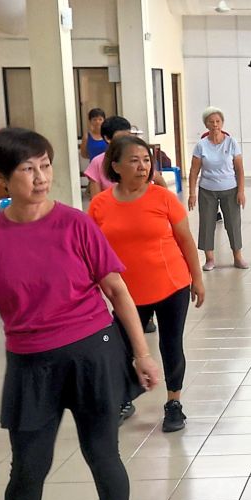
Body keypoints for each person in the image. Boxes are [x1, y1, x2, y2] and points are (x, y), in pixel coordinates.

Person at [0, 129, 160, 500]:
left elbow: (117, 290)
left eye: (45, 165)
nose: (41, 177)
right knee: (28, 465)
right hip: (30, 365)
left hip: (91, 355)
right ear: (1, 178)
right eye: (28, 169)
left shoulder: (75, 224)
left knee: (102, 453)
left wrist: (142, 354)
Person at [88, 135, 204, 431]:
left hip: (171, 284)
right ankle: (124, 398)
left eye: (146, 160)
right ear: (115, 166)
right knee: (122, 348)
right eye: (134, 160)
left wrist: (197, 279)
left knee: (171, 344)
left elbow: (185, 240)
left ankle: (174, 403)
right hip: (125, 293)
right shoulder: (100, 204)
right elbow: (92, 251)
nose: (142, 166)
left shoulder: (162, 198)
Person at [188, 107, 247, 271]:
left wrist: (241, 191)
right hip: (207, 189)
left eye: (218, 121)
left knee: (233, 223)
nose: (215, 125)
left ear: (222, 123)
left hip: (230, 188)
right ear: (206, 124)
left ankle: (237, 256)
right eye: (211, 122)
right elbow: (194, 171)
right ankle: (209, 259)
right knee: (207, 224)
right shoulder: (201, 145)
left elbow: (239, 170)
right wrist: (192, 193)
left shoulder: (231, 142)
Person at [85, 116, 168, 198]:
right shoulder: (97, 162)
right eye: (121, 137)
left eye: (129, 135)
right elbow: (96, 198)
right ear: (107, 138)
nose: (126, 140)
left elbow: (159, 181)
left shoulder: (139, 157)